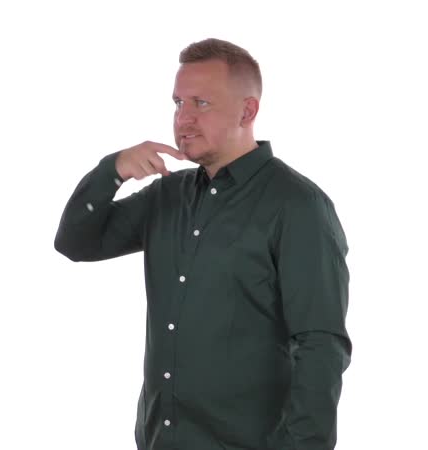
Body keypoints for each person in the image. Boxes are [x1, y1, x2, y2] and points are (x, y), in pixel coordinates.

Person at [54, 37, 352, 450]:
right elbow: (75, 242)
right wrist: (113, 171)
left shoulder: (298, 205)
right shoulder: (167, 195)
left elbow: (321, 346)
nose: (184, 119)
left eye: (202, 103)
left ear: (248, 111)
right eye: (178, 103)